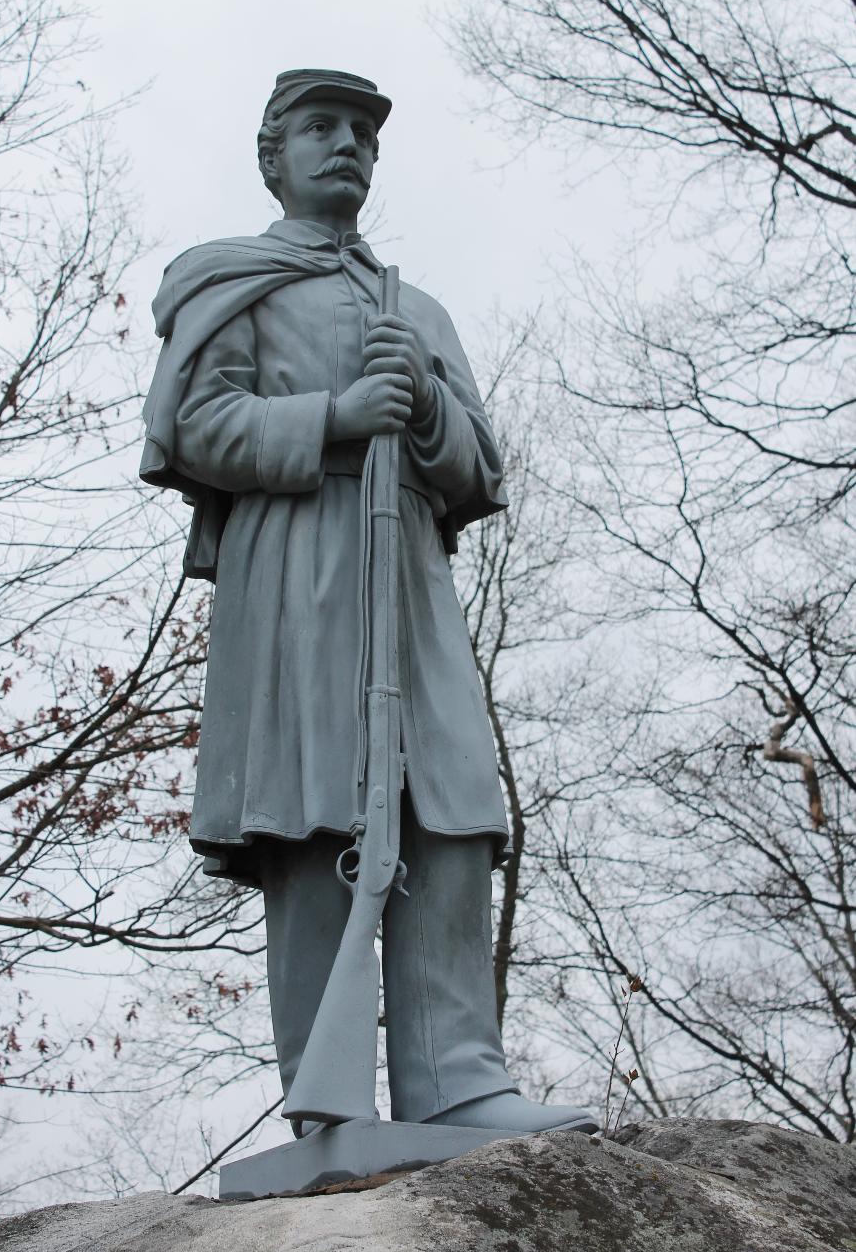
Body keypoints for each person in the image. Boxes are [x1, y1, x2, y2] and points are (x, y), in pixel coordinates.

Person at [140, 69, 594, 1135]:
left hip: (411, 581)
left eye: (362, 132)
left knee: (449, 800)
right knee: (314, 811)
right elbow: (196, 428)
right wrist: (334, 416)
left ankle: (461, 1079)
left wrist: (427, 402)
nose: (346, 144)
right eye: (321, 126)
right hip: (297, 568)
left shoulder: (416, 307)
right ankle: (328, 1102)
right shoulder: (229, 285)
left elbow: (481, 467)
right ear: (275, 155)